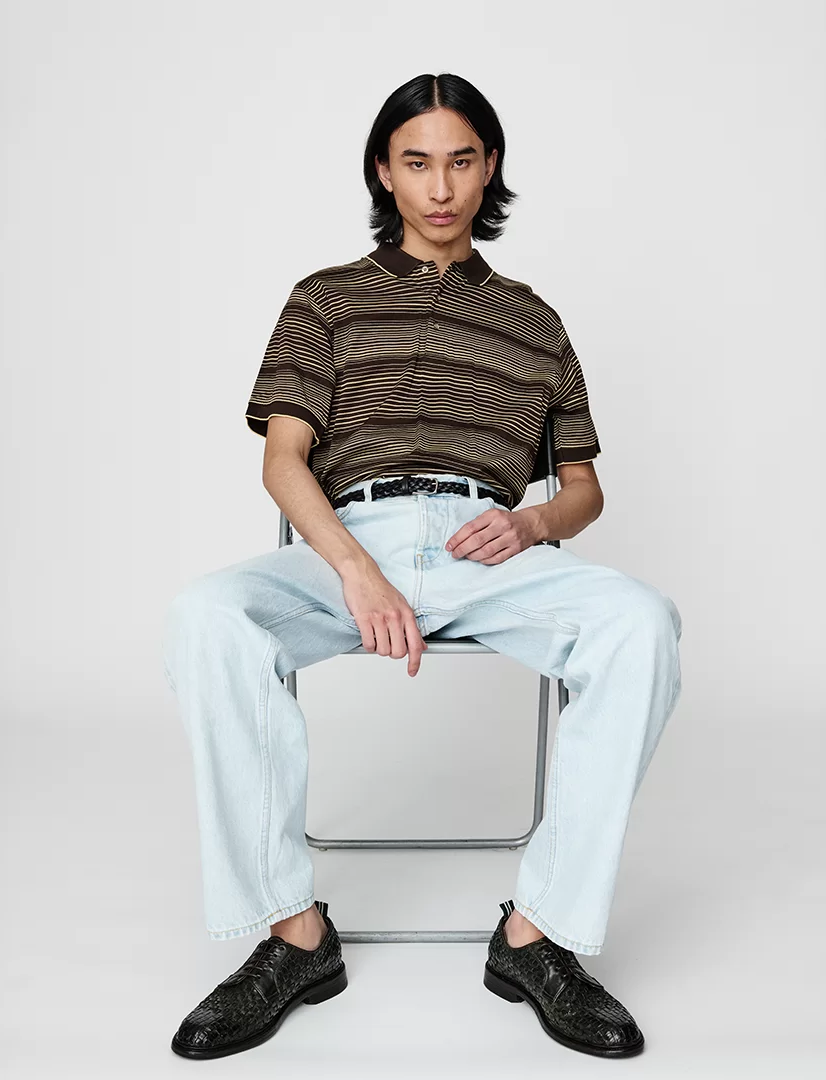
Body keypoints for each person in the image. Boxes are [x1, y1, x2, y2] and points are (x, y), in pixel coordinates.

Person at [161, 72, 683, 1060]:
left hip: (483, 544)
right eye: (416, 163)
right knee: (205, 616)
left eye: (459, 161)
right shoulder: (323, 300)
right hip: (344, 541)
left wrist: (531, 525)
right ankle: (292, 933)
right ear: (383, 172)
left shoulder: (535, 321)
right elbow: (282, 460)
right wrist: (355, 569)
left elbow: (582, 488)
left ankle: (537, 934)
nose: (439, 187)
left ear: (489, 169)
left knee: (642, 624)